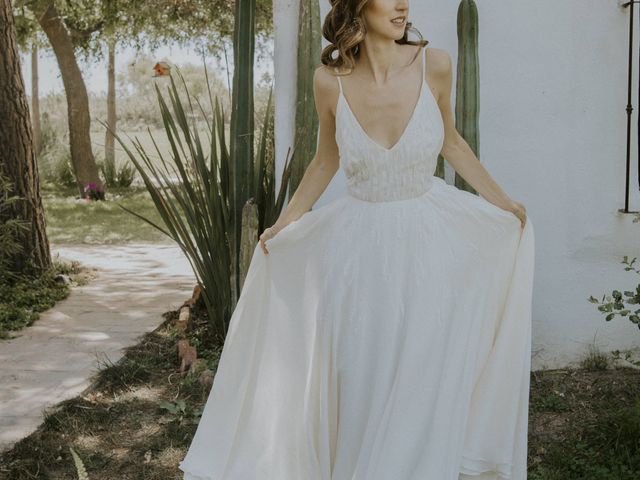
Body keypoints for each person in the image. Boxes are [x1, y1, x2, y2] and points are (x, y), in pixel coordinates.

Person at [179, 0, 535, 479]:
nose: (403, 4)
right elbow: (325, 160)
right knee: (363, 373)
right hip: (357, 251)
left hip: (430, 244)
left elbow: (452, 143)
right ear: (358, 7)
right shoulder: (330, 82)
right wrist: (285, 224)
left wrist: (503, 201)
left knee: (421, 371)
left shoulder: (437, 65)